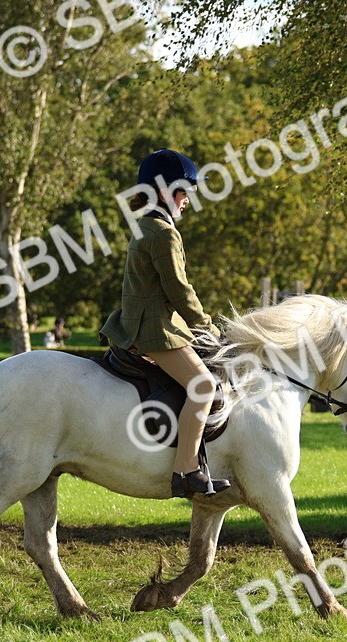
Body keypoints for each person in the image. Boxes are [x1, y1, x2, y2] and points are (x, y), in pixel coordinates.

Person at [99, 148, 230, 498]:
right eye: (184, 192)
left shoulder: (147, 224)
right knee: (203, 387)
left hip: (150, 323)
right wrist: (208, 327)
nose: (187, 201)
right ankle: (186, 472)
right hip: (155, 329)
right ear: (165, 191)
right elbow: (178, 289)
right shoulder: (162, 232)